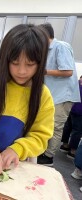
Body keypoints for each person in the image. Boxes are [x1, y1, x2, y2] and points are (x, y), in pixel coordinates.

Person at [0, 24, 54, 177]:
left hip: (14, 164)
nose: (22, 71)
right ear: (5, 59)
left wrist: (17, 149)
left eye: (30, 64)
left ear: (40, 64)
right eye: (15, 63)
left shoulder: (43, 95)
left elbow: (41, 136)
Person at [37, 23, 81, 166]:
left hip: (63, 95)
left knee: (56, 126)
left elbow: (68, 71)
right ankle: (43, 150)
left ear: (44, 34)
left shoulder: (61, 46)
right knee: (47, 124)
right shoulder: (46, 50)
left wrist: (44, 71)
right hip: (53, 94)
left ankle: (49, 156)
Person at [60, 75, 82, 159]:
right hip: (79, 111)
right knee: (77, 130)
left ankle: (65, 145)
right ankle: (73, 151)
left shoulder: (77, 83)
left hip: (71, 107)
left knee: (68, 126)